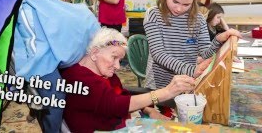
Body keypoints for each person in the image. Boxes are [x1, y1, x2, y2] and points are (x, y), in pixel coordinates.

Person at [61, 28, 197, 132]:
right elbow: (114, 105)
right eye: (114, 57)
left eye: (119, 60)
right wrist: (166, 92)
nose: (118, 66)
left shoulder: (105, 73)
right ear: (95, 53)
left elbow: (121, 95)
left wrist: (149, 110)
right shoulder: (77, 78)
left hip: (122, 125)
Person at [143, 0, 241, 90]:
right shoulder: (153, 15)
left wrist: (218, 40)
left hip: (186, 81)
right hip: (159, 83)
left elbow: (205, 53)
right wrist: (191, 70)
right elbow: (158, 54)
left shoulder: (198, 19)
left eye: (186, 5)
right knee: (164, 108)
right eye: (175, 1)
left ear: (193, 1)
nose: (179, 8)